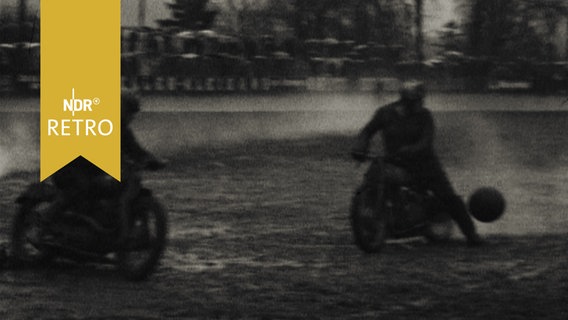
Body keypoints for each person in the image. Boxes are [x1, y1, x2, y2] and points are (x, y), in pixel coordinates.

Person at [351, 80, 483, 246]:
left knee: (449, 197)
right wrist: (360, 146)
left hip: (425, 165)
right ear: (405, 100)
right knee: (373, 177)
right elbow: (367, 131)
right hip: (395, 161)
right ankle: (376, 217)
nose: (419, 104)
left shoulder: (425, 116)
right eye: (415, 101)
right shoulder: (384, 113)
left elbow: (426, 142)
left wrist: (411, 149)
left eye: (420, 100)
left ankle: (471, 233)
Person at [45, 92, 165, 245]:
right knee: (81, 188)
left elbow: (136, 150)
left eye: (132, 113)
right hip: (69, 168)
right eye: (128, 111)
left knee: (110, 190)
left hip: (91, 172)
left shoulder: (123, 131)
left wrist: (153, 161)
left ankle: (105, 230)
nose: (130, 117)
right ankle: (46, 218)